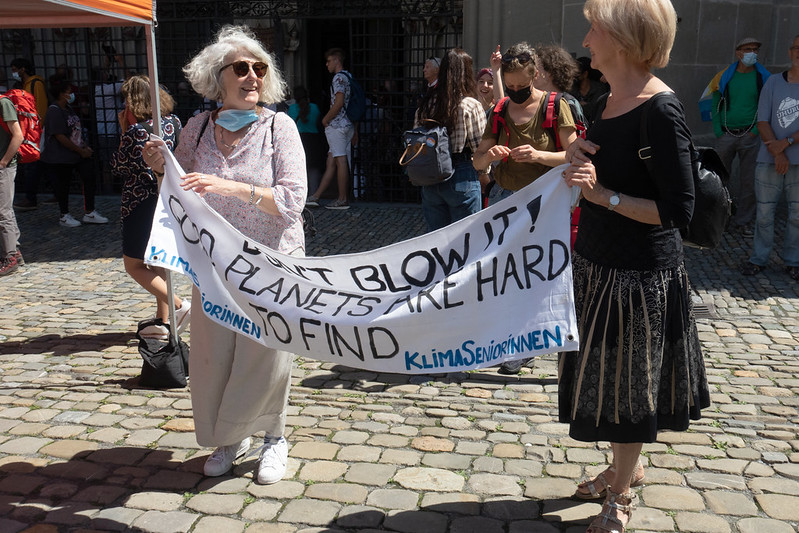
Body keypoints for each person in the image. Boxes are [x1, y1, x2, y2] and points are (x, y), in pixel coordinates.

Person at [559, 1, 710, 531]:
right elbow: (596, 167)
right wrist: (575, 158)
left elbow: (678, 211)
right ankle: (629, 466)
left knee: (628, 390)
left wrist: (603, 196)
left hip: (639, 277)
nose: (587, 37)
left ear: (621, 38)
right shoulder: (606, 99)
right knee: (604, 380)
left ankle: (619, 495)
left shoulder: (660, 110)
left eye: (594, 27)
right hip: (598, 265)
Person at [142, 25, 306, 485]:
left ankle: (274, 435)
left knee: (266, 354)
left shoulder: (280, 126)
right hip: (212, 263)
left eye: (260, 68)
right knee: (217, 355)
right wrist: (162, 168)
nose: (253, 76)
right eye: (242, 68)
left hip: (271, 263)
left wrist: (231, 186)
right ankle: (232, 436)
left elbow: (293, 199)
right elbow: (177, 195)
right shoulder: (195, 128)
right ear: (219, 78)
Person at [473, 42, 577, 375]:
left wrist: (538, 156)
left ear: (536, 76)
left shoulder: (556, 106)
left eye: (522, 86)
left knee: (543, 274)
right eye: (511, 85)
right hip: (507, 199)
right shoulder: (500, 109)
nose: (515, 92)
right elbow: (478, 158)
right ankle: (514, 343)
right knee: (507, 275)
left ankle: (548, 341)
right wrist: (489, 157)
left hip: (547, 202)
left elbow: (574, 156)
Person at [111, 75, 189, 339]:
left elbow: (118, 166)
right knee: (158, 261)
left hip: (141, 202)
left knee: (134, 265)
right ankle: (162, 321)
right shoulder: (174, 122)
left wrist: (124, 131)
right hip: (167, 200)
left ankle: (179, 305)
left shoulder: (136, 132)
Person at [742, 35, 799, 281]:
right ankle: (759, 258)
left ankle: (793, 261)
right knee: (764, 214)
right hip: (768, 159)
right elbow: (762, 119)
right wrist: (777, 151)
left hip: (797, 161)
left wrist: (785, 145)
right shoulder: (774, 82)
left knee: (797, 215)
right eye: (797, 47)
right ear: (789, 52)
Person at [415, 48, 486, 232]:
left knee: (436, 241)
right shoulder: (470, 105)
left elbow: (416, 137)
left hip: (431, 176)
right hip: (462, 173)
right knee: (466, 240)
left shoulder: (426, 104)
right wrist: (485, 172)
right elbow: (480, 147)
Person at [710, 37, 771, 236]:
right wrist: (719, 130)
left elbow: (767, 106)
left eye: (755, 49)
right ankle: (718, 220)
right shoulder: (724, 76)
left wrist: (755, 131)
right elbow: (715, 102)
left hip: (751, 136)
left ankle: (743, 221)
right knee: (718, 180)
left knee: (749, 182)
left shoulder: (763, 77)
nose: (752, 52)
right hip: (726, 134)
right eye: (748, 49)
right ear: (738, 53)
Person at [40, 75, 108, 228]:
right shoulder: (54, 111)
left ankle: (90, 211)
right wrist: (80, 150)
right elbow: (60, 136)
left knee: (89, 178)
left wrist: (84, 147)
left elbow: (74, 131)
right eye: (69, 91)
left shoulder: (68, 108)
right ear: (62, 93)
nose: (72, 94)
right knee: (62, 185)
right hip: (61, 156)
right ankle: (64, 215)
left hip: (76, 153)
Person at [306, 48, 354, 210]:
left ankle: (342, 199)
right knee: (331, 161)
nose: (326, 64)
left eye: (328, 61)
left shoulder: (338, 78)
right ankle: (316, 196)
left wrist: (326, 119)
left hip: (338, 125)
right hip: (346, 124)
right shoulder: (348, 76)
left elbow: (338, 102)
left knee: (340, 160)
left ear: (336, 60)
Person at [9, 57, 47, 212]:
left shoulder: (35, 84)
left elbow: (41, 107)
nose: (13, 73)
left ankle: (31, 198)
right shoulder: (25, 85)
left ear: (22, 69)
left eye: (14, 69)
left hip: (33, 130)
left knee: (32, 163)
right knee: (37, 162)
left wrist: (36, 129)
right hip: (26, 130)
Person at [0, 91, 24, 276]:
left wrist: (3, 162)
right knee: (5, 209)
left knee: (3, 212)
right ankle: (15, 251)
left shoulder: (3, 104)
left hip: (4, 166)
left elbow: (18, 135)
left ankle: (10, 258)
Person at [287, 86, 325, 193]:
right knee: (314, 168)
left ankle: (301, 194)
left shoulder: (292, 109)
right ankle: (314, 193)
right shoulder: (315, 107)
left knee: (299, 168)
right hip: (313, 140)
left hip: (298, 139)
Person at [571, 56, 608, 123]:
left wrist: (578, 105)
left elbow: (597, 110)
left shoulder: (598, 88)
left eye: (577, 73)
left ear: (585, 74)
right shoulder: (572, 89)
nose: (574, 76)